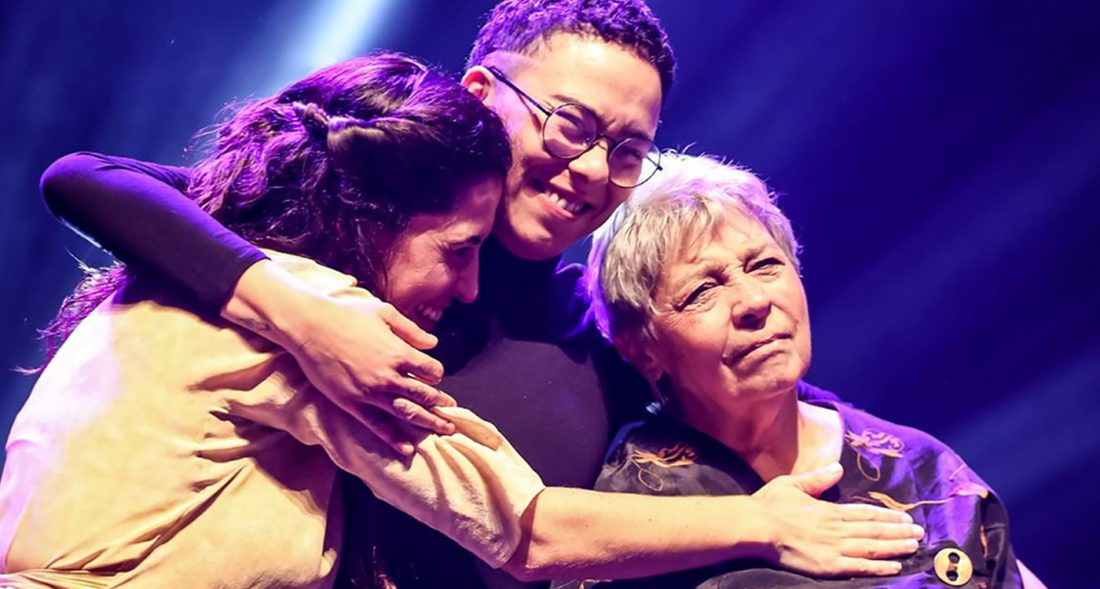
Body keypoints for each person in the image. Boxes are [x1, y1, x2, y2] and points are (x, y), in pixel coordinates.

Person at [34, 2, 924, 588]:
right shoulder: (336, 254)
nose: (589, 169)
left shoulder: (593, 331)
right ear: (481, 94)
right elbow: (87, 177)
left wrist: (928, 479)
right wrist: (296, 310)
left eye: (626, 149)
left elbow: (746, 388)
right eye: (571, 123)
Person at [565, 152, 1030, 588]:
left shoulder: (922, 471)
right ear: (641, 348)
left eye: (765, 266)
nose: (753, 302)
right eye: (702, 291)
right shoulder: (626, 511)